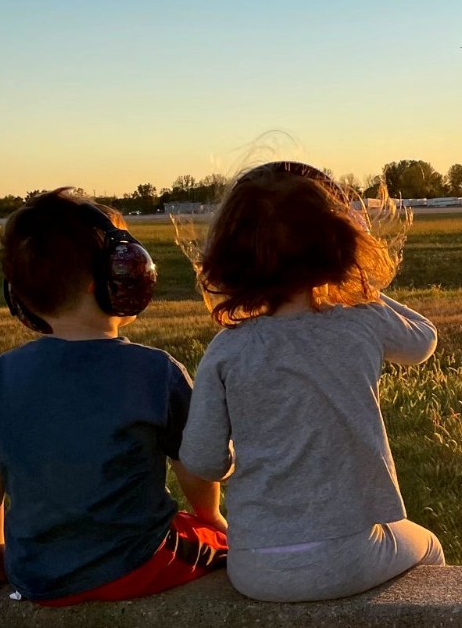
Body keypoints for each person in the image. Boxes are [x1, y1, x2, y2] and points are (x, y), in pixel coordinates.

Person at [178, 161, 443, 602]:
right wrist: (361, 288)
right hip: (354, 556)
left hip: (255, 567)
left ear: (229, 259)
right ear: (338, 246)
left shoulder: (227, 349)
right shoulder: (361, 321)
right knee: (428, 545)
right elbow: (422, 342)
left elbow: (204, 463)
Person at [0, 188, 228, 606]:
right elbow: (195, 467)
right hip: (136, 564)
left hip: (35, 576)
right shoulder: (155, 372)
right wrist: (211, 519)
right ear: (109, 278)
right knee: (219, 543)